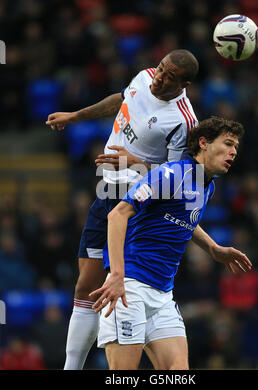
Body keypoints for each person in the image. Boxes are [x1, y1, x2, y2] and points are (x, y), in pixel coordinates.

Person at [45, 49, 199, 369]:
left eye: (169, 76)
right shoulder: (143, 77)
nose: (159, 78)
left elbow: (174, 180)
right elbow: (121, 99)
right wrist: (75, 116)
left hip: (137, 202)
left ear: (183, 84)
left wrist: (136, 163)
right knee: (85, 285)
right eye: (160, 69)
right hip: (107, 187)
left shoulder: (183, 121)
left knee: (122, 288)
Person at [89, 116, 252, 370]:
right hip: (130, 286)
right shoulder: (172, 174)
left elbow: (184, 218)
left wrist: (213, 248)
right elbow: (117, 214)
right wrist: (117, 275)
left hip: (163, 294)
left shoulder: (206, 186)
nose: (233, 152)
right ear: (203, 143)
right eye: (228, 143)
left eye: (236, 148)